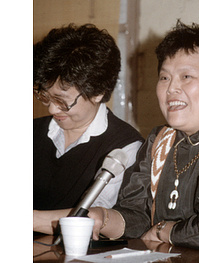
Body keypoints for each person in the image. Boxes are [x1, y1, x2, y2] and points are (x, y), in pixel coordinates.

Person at [88, 20, 199, 252]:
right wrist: (102, 217)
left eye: (186, 77)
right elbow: (138, 216)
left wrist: (163, 230)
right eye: (164, 77)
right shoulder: (159, 141)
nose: (171, 88)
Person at [33, 24, 144, 235]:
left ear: (98, 92)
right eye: (45, 96)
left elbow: (90, 216)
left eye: (62, 100)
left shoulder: (124, 147)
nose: (52, 108)